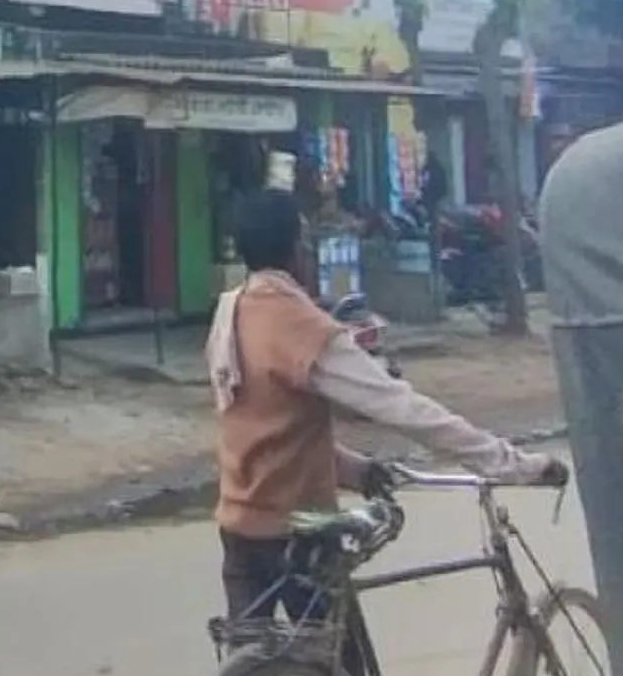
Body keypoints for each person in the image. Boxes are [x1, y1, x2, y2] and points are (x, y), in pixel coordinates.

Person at [208, 145, 561, 646]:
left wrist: (355, 468)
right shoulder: (303, 327)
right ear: (295, 249)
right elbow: (403, 409)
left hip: (240, 529)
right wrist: (511, 464)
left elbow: (263, 427)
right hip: (301, 532)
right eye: (305, 243)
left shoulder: (230, 311)